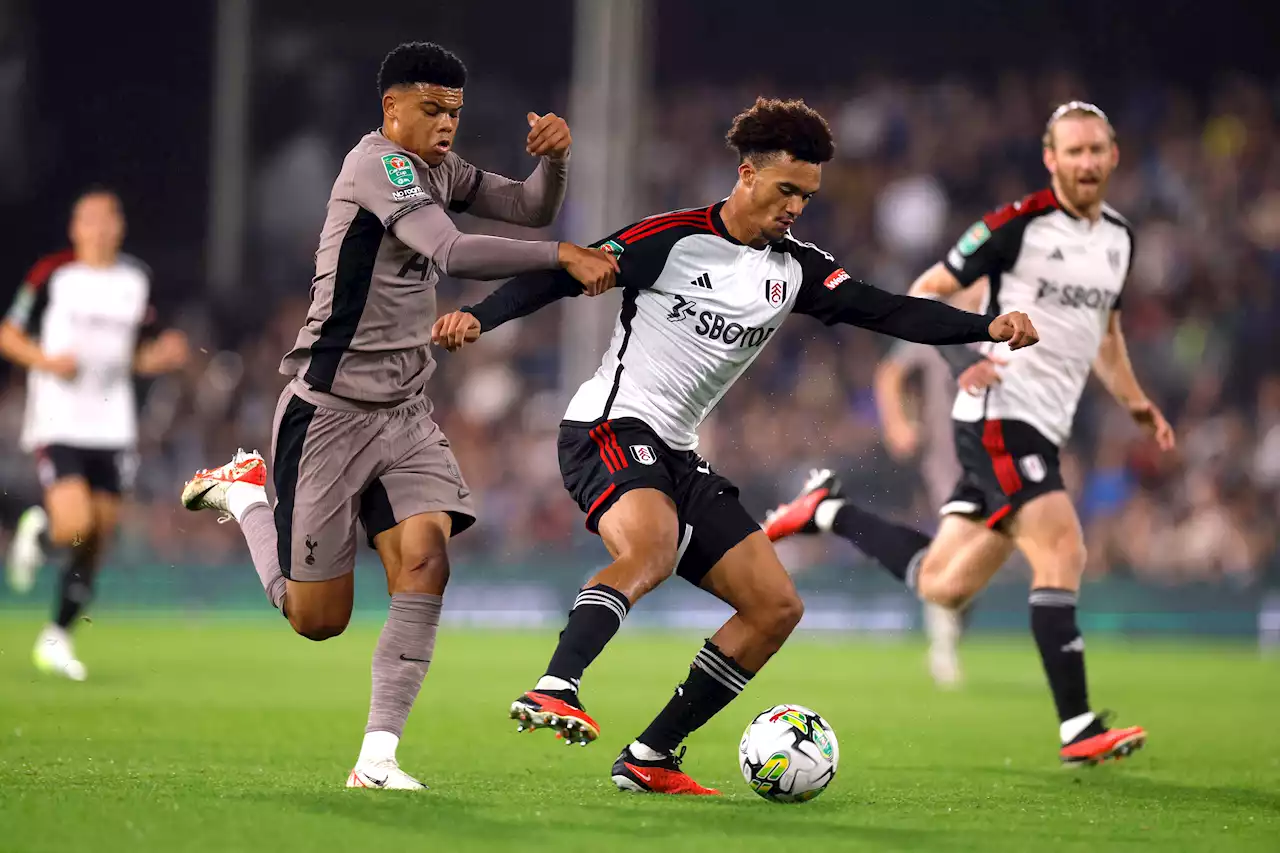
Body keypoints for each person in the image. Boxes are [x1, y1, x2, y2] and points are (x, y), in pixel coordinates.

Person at [431, 96, 1037, 794]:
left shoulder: (796, 270)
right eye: (786, 190)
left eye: (807, 197)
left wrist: (984, 327)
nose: (795, 208)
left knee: (776, 606)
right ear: (746, 174)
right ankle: (555, 685)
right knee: (649, 549)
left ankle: (652, 755)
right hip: (610, 425)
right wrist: (480, 318)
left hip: (679, 452)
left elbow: (887, 308)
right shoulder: (674, 238)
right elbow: (561, 271)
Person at [178, 41, 618, 791]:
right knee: (317, 619)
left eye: (454, 111)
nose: (446, 123)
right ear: (392, 108)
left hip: (405, 410)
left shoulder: (441, 169)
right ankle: (247, 493)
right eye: (431, 109)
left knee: (427, 560)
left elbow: (527, 203)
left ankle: (377, 758)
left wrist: (559, 162)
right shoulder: (376, 166)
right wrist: (560, 257)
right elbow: (449, 249)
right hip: (328, 412)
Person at [764, 102, 1175, 766]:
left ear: (1114, 154)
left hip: (1041, 422)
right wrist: (965, 355)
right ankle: (1077, 726)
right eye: (1074, 151)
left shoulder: (1119, 240)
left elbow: (1107, 335)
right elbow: (927, 288)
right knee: (1062, 548)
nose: (1087, 162)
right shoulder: (1015, 226)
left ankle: (827, 510)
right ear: (1051, 159)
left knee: (945, 585)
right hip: (1000, 413)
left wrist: (1136, 403)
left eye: (1097, 149)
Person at [2, 187, 189, 680]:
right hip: (60, 418)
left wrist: (160, 357)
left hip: (113, 424)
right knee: (75, 524)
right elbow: (8, 334)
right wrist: (45, 361)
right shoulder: (54, 275)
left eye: (109, 219)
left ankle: (56, 636)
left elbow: (134, 355)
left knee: (97, 539)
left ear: (120, 226)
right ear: (75, 228)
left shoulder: (134, 280)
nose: (100, 228)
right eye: (90, 220)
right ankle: (40, 531)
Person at [870, 278, 987, 687]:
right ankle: (943, 648)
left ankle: (947, 636)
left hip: (999, 461)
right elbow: (890, 373)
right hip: (949, 460)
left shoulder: (1004, 329)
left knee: (979, 560)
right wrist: (898, 424)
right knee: (957, 547)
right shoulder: (937, 323)